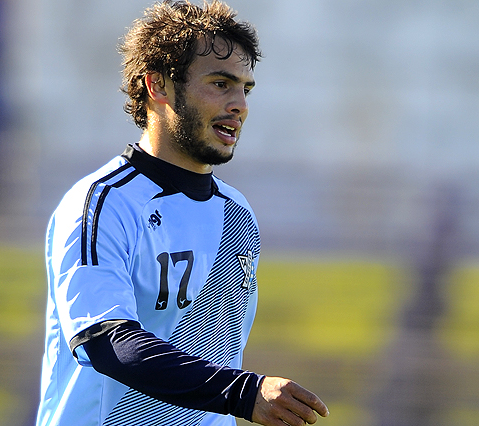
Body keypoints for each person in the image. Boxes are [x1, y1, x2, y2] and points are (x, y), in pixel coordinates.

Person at [34, 1, 329, 426]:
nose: (239, 105)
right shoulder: (102, 204)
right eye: (220, 83)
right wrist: (243, 393)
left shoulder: (237, 215)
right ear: (158, 86)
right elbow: (107, 342)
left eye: (245, 89)